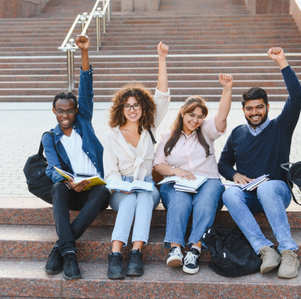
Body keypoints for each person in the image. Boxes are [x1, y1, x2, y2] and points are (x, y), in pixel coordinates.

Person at [218, 47, 301, 279]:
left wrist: (282, 62)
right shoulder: (237, 133)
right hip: (249, 195)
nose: (254, 112)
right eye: (249, 108)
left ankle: (288, 251)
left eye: (259, 107)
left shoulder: (281, 126)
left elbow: (296, 97)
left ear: (267, 107)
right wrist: (234, 175)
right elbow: (223, 164)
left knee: (266, 186)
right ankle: (265, 249)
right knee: (229, 194)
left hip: (277, 192)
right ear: (243, 110)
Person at [42, 35, 110, 280]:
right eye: (60, 111)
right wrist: (68, 180)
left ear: (76, 110)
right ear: (54, 111)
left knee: (103, 191)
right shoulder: (50, 137)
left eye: (70, 110)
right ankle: (69, 253)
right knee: (57, 188)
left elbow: (86, 88)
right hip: (71, 190)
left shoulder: (84, 121)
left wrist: (84, 52)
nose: (65, 115)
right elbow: (52, 168)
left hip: (94, 191)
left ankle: (60, 247)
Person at [153, 73, 233, 274]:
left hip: (207, 181)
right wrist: (175, 170)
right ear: (182, 113)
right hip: (177, 182)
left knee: (204, 202)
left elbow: (221, 117)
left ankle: (195, 250)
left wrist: (227, 89)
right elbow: (158, 165)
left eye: (200, 116)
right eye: (191, 115)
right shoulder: (168, 137)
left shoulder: (205, 130)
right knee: (181, 202)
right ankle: (176, 249)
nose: (195, 120)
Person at [103, 42, 170, 279]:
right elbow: (109, 172)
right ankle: (115, 254)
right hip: (121, 190)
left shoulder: (149, 128)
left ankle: (136, 253)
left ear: (143, 108)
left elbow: (162, 96)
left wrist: (161, 60)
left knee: (143, 199)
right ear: (121, 109)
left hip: (148, 188)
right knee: (131, 202)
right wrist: (122, 186)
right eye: (127, 106)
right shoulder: (112, 136)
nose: (132, 110)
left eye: (136, 106)